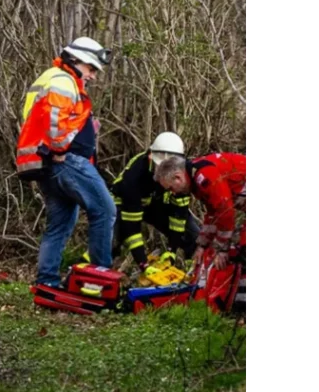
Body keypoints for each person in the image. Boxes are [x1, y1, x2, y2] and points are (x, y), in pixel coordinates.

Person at [14, 37, 115, 288]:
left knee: (59, 225)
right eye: (91, 69)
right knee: (104, 210)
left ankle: (47, 281)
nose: (92, 76)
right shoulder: (63, 81)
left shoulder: (51, 78)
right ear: (76, 60)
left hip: (48, 165)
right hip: (65, 161)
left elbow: (37, 117)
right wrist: (59, 147)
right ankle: (100, 280)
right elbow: (55, 120)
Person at [101, 132, 202, 271]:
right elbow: (132, 228)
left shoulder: (182, 174)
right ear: (150, 157)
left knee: (193, 235)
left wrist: (172, 251)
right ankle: (94, 274)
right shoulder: (133, 178)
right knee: (110, 240)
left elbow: (179, 216)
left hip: (155, 203)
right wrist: (144, 264)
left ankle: (195, 273)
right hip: (124, 203)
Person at [154, 152, 248, 271]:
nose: (173, 193)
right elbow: (213, 214)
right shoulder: (195, 178)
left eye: (171, 188)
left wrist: (222, 249)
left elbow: (225, 211)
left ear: (178, 177)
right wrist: (202, 245)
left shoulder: (204, 175)